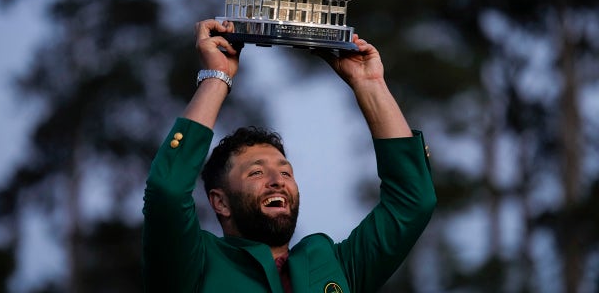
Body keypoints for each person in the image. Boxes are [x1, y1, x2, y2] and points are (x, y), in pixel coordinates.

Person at [142, 19, 437, 292]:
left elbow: (412, 202)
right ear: (220, 202)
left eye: (286, 172)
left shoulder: (335, 265)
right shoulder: (194, 264)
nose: (277, 181)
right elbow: (167, 191)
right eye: (256, 172)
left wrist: (369, 83)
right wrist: (216, 78)